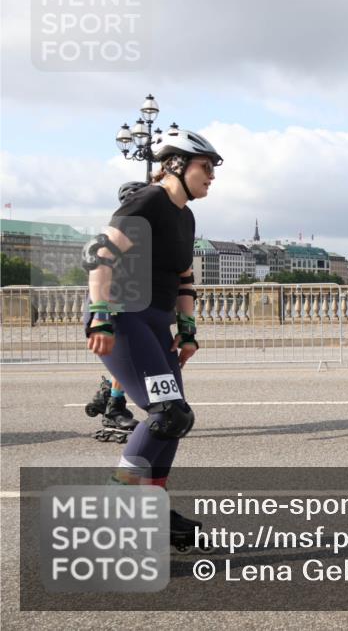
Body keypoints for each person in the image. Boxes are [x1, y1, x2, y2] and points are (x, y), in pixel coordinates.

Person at [83, 127, 221, 548]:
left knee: (176, 418)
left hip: (155, 323)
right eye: (206, 167)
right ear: (176, 164)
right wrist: (101, 316)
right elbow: (100, 254)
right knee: (165, 414)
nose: (211, 176)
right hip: (124, 320)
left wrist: (189, 331)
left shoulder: (185, 214)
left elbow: (184, 277)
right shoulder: (150, 200)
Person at [85, 182, 150, 442]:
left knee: (132, 362)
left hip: (132, 304)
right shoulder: (121, 232)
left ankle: (110, 395)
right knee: (132, 361)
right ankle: (113, 406)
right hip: (114, 305)